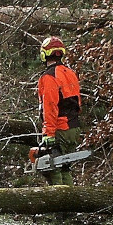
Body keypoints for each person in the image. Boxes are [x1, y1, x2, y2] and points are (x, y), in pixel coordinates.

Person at [37, 36, 82, 186]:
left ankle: (60, 206)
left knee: (53, 170)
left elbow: (50, 106)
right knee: (65, 168)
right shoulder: (70, 73)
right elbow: (77, 102)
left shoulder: (49, 77)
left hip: (59, 129)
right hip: (73, 127)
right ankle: (70, 204)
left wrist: (49, 133)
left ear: (44, 54)